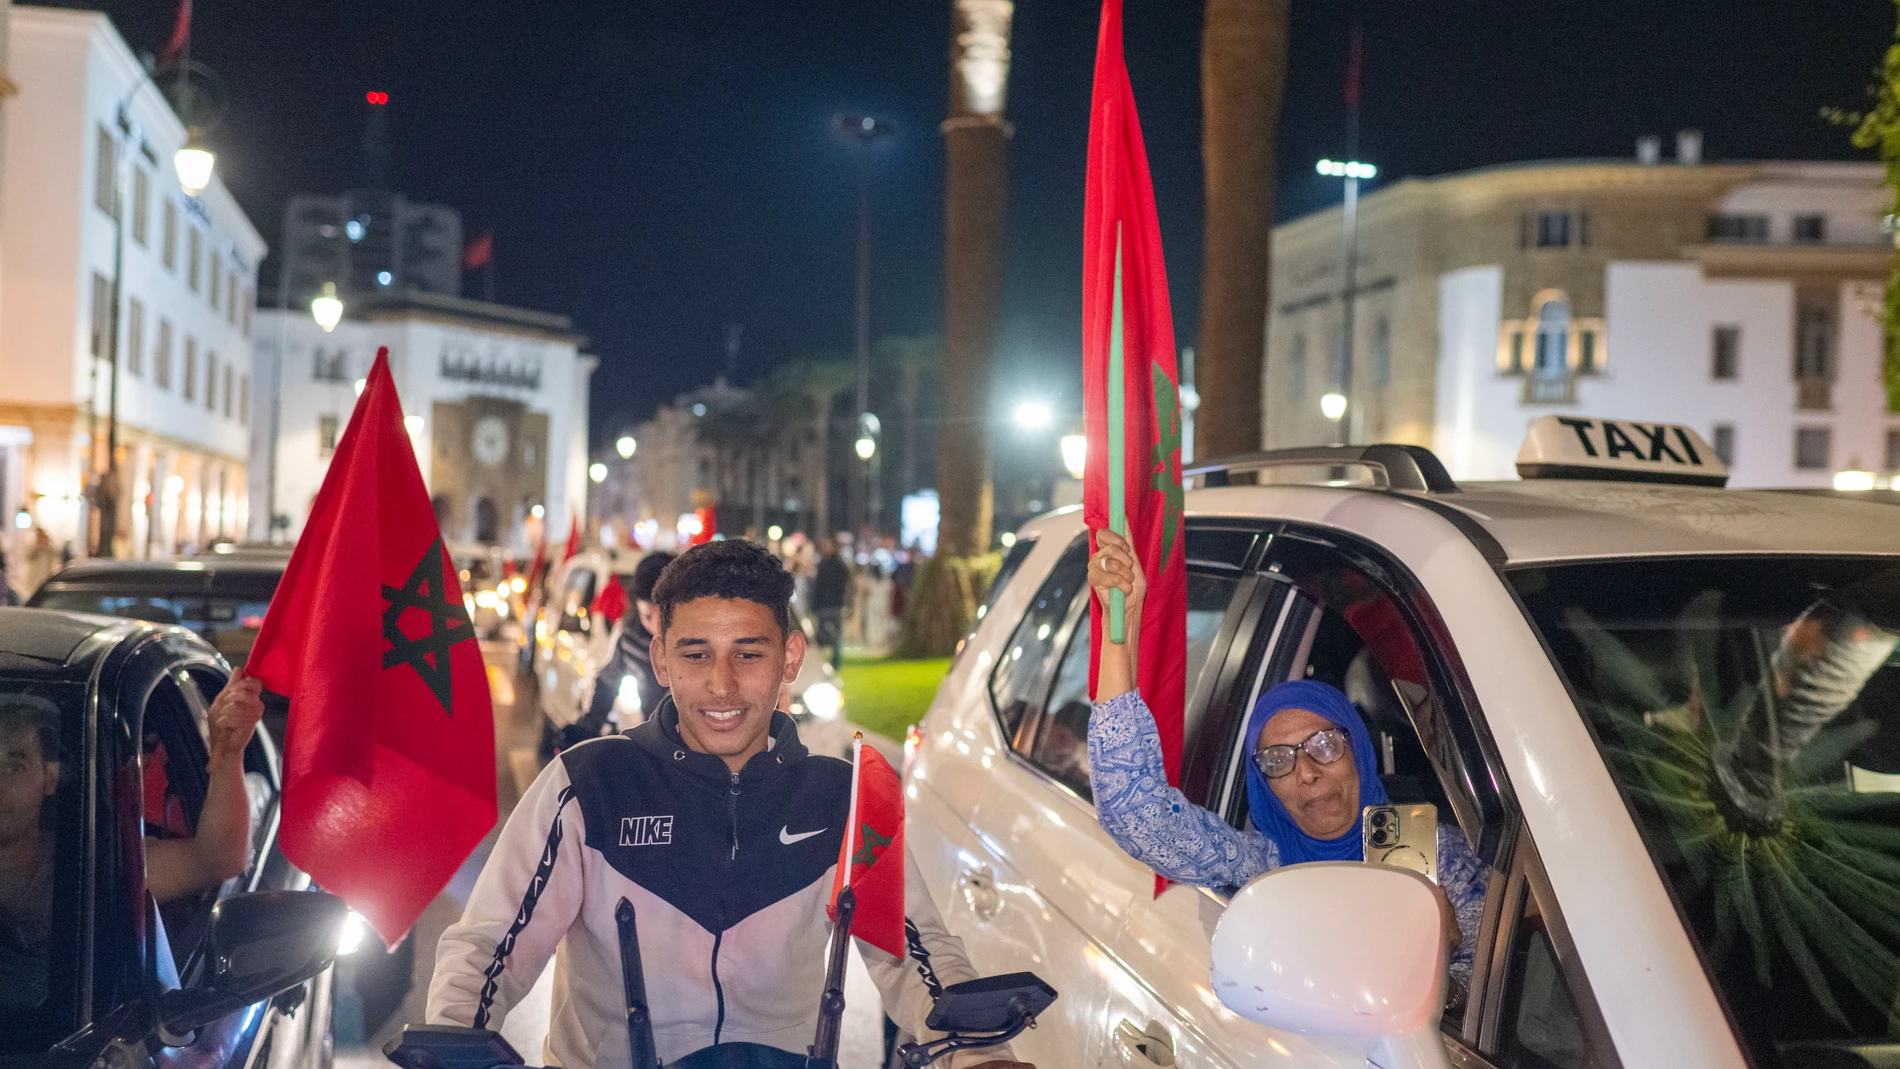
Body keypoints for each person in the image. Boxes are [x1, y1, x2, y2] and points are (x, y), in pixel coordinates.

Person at [428, 540, 1030, 1069]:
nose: (721, 684)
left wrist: (980, 1053)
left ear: (789, 659)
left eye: (749, 653)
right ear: (660, 659)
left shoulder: (841, 798)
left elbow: (917, 952)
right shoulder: (586, 784)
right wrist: (455, 1043)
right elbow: (488, 947)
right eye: (695, 654)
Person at [1082, 529, 1487, 994]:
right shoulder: (1262, 870)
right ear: (1263, 785)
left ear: (1359, 748)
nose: (1308, 772)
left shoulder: (1439, 861)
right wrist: (1124, 628)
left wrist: (1444, 960)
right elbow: (1133, 810)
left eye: (1324, 745)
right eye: (1278, 761)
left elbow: (1483, 1016)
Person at [575, 550, 676, 744]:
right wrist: (589, 725)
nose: (657, 627)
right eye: (648, 616)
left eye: (664, 616)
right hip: (649, 739)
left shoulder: (699, 640)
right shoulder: (630, 636)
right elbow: (608, 681)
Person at [812, 536, 851, 671]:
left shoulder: (828, 564)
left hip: (829, 605)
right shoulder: (840, 564)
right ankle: (831, 663)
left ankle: (830, 662)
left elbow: (819, 586)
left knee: (826, 636)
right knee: (833, 636)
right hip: (832, 605)